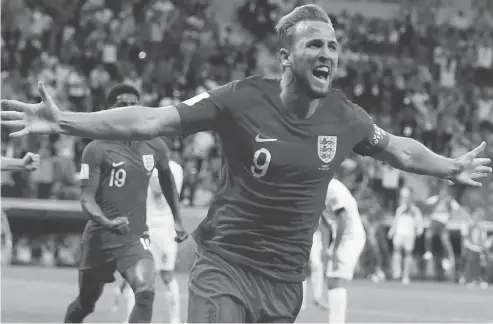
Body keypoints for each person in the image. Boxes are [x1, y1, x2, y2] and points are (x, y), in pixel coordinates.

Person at [1, 4, 491, 323]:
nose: (327, 54)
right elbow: (151, 120)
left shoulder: (347, 117)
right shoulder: (240, 100)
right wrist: (65, 121)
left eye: (333, 46)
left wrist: (450, 167)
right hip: (227, 267)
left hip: (285, 283)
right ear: (285, 57)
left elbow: (399, 149)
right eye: (314, 45)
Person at [60, 84, 187, 323]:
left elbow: (168, 180)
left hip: (134, 237)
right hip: (100, 239)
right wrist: (106, 221)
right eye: (122, 104)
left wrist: (178, 219)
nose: (129, 109)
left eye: (133, 104)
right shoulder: (95, 149)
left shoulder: (155, 145)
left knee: (146, 293)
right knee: (86, 304)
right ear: (110, 110)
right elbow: (86, 199)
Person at [117, 158, 185, 324]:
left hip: (158, 228)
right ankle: (132, 319)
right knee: (143, 273)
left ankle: (174, 320)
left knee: (162, 274)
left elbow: (157, 189)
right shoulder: (177, 168)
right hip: (152, 228)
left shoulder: (162, 169)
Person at [322, 178, 366, 323]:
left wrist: (335, 250)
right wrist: (326, 248)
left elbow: (343, 220)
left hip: (351, 235)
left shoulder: (332, 188)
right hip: (339, 235)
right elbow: (325, 224)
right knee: (331, 280)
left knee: (336, 279)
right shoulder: (316, 188)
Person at [423, 184, 468, 273]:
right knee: (428, 235)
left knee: (445, 241)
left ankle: (446, 258)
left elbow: (458, 209)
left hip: (443, 223)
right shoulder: (436, 198)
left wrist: (464, 217)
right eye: (442, 192)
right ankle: (428, 252)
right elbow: (426, 202)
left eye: (445, 192)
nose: (443, 193)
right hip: (434, 221)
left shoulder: (450, 201)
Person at [388, 186, 423, 284]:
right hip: (399, 233)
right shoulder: (400, 209)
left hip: (409, 235)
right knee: (396, 251)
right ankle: (397, 271)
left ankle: (405, 275)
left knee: (408, 254)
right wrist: (392, 231)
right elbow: (396, 221)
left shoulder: (415, 210)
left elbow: (419, 221)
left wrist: (419, 229)